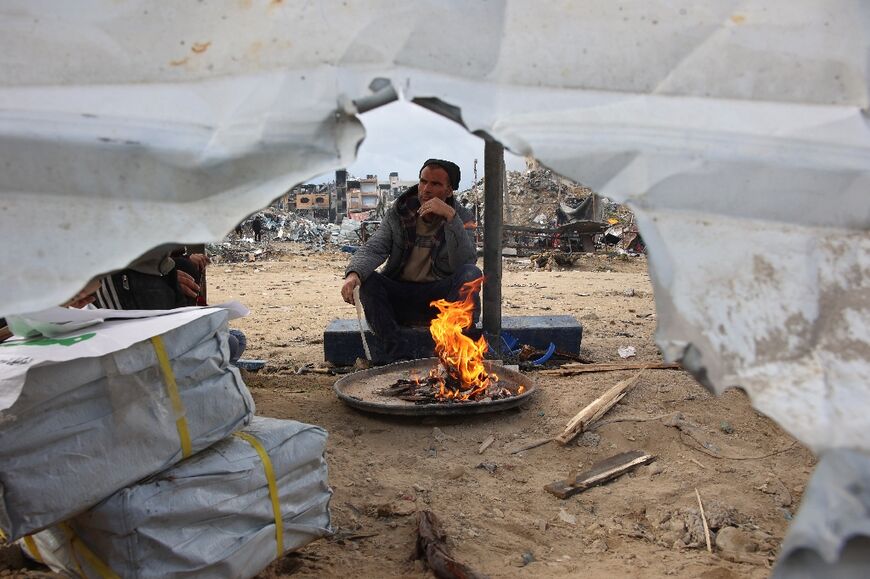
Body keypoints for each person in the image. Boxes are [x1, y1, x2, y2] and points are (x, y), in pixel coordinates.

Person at [340, 159, 482, 363]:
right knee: (368, 280)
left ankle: (454, 352)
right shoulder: (400, 212)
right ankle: (397, 355)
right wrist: (354, 274)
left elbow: (465, 261)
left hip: (441, 301)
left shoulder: (462, 217)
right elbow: (376, 246)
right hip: (401, 296)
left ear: (449, 190)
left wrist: (451, 219)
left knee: (471, 274)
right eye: (423, 181)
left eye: (436, 184)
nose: (426, 189)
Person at [93, 246, 247, 364]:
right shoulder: (122, 277)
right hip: (147, 350)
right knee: (229, 342)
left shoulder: (170, 269)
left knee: (234, 339)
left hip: (167, 335)